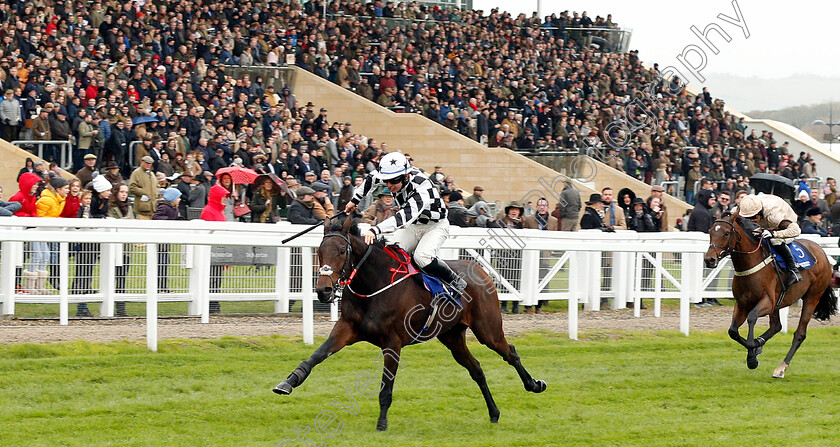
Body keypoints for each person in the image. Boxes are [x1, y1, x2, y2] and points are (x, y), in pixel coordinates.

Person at [344, 152, 467, 298]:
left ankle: (455, 281)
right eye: (387, 181)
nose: (389, 186)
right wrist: (355, 200)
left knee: (422, 257)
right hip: (414, 225)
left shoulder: (422, 188)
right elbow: (371, 178)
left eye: (393, 182)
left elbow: (403, 218)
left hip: (435, 226)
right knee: (389, 253)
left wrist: (375, 229)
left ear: (406, 176)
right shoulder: (394, 176)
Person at [737, 193, 803, 286]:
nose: (751, 220)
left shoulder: (775, 217)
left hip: (786, 227)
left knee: (775, 241)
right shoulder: (749, 205)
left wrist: (774, 234)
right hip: (768, 224)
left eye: (753, 217)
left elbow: (796, 230)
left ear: (760, 212)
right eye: (748, 218)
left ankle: (794, 270)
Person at [201, 184, 231, 314]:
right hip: (212, 251)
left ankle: (213, 304)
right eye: (223, 196)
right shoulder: (209, 211)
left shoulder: (218, 211)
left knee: (216, 278)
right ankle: (211, 304)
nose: (225, 199)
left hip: (218, 250)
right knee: (212, 278)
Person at [108, 183, 135, 316]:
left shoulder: (129, 206)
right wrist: (127, 221)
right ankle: (108, 305)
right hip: (114, 248)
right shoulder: (111, 206)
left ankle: (120, 308)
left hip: (126, 248)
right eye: (122, 191)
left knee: (122, 278)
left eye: (126, 192)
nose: (124, 194)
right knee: (112, 277)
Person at [152, 188, 182, 294]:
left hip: (166, 241)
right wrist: (169, 221)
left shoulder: (174, 209)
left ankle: (163, 286)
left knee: (165, 263)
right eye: (178, 197)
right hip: (161, 240)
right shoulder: (164, 207)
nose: (180, 199)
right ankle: (160, 287)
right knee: (162, 263)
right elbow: (156, 217)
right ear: (172, 199)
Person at [497, 202, 525, 314]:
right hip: (503, 255)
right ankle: (503, 304)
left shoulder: (522, 224)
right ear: (508, 211)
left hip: (517, 256)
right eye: (512, 209)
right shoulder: (501, 222)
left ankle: (515, 305)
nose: (514, 211)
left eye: (516, 210)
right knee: (504, 280)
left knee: (517, 280)